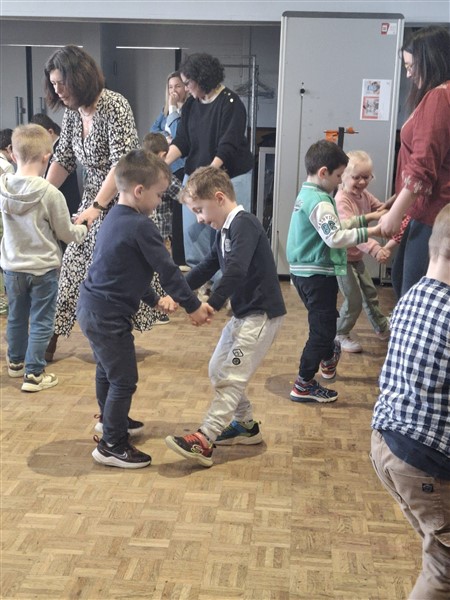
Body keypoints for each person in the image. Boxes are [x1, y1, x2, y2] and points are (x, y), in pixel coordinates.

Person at [77, 150, 214, 469]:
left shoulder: (114, 216)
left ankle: (111, 420)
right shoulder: (141, 225)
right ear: (139, 191)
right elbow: (168, 271)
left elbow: (126, 271)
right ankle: (112, 445)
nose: (160, 200)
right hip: (107, 315)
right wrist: (193, 306)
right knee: (124, 379)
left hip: (93, 308)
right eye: (159, 194)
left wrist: (154, 300)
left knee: (108, 370)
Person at [165, 166, 286, 467]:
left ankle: (205, 438)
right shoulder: (224, 231)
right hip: (244, 314)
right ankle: (245, 425)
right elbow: (207, 266)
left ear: (219, 198)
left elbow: (236, 270)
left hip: (260, 316)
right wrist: (177, 293)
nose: (199, 219)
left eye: (199, 210)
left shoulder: (245, 224)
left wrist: (212, 303)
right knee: (217, 368)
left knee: (231, 376)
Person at [42, 45, 152, 362]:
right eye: (53, 84)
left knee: (112, 276)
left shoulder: (115, 105)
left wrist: (98, 207)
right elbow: (63, 159)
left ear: (79, 78)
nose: (57, 90)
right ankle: (49, 340)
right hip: (93, 199)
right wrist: (41, 195)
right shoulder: (73, 113)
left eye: (62, 83)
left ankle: (113, 338)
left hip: (122, 202)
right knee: (72, 267)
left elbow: (122, 164)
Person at [371, 203, 450, 600]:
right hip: (423, 460)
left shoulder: (411, 295)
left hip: (386, 445)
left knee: (436, 537)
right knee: (444, 569)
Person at [286, 140, 385, 403]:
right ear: (323, 173)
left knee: (325, 323)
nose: (340, 181)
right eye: (339, 176)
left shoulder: (307, 194)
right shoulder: (320, 200)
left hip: (304, 273)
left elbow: (336, 224)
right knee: (321, 331)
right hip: (316, 275)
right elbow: (335, 237)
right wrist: (373, 231)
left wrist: (366, 218)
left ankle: (329, 356)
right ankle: (304, 383)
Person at [0, 124, 87, 392]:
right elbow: (66, 233)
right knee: (41, 320)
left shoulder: (2, 187)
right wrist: (83, 228)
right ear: (47, 157)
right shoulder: (50, 193)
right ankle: (34, 374)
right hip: (43, 270)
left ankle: (16, 363)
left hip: (12, 268)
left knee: (16, 316)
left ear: (13, 154)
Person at [164, 53, 253, 290]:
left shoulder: (231, 103)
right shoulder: (192, 105)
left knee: (225, 235)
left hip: (229, 177)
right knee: (194, 233)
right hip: (197, 175)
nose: (185, 88)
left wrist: (208, 175)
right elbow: (182, 141)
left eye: (188, 83)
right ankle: (201, 285)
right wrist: (162, 163)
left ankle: (224, 289)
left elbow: (228, 145)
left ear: (202, 79)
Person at [379, 26, 450, 298]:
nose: (408, 74)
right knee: (405, 282)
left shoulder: (439, 96)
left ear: (431, 60)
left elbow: (423, 165)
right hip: (430, 211)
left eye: (411, 66)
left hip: (432, 213)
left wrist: (396, 213)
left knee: (412, 292)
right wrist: (398, 198)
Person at [334, 150, 391, 353]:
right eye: (356, 177)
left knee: (370, 293)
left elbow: (380, 208)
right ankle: (339, 334)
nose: (362, 182)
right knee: (354, 300)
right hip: (342, 259)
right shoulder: (342, 200)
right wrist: (375, 249)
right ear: (343, 176)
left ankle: (382, 328)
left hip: (356, 258)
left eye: (366, 177)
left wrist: (393, 210)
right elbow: (353, 234)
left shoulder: (363, 195)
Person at [141, 132, 183, 325]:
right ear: (162, 155)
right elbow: (181, 193)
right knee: (160, 269)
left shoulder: (138, 173)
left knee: (147, 269)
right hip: (160, 231)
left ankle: (151, 307)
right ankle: (158, 310)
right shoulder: (163, 176)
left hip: (143, 230)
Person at [150, 71, 188, 267]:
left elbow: (178, 133)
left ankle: (181, 257)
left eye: (178, 86)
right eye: (171, 87)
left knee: (180, 212)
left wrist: (173, 108)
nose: (174, 91)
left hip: (181, 166)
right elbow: (153, 131)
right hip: (166, 166)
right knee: (164, 212)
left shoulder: (188, 110)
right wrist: (167, 139)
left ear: (185, 88)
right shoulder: (164, 111)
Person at [29, 113, 81, 217]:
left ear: (50, 132)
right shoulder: (50, 149)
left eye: (38, 138)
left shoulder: (61, 149)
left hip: (65, 206)